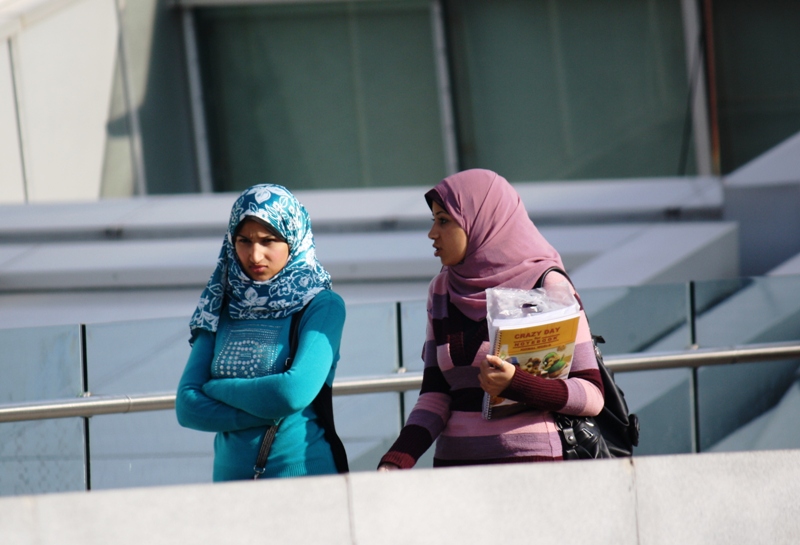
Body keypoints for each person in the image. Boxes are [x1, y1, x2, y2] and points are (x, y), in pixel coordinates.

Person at [378, 169, 604, 469]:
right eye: (433, 220)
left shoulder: (547, 286)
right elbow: (435, 396)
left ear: (483, 222)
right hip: (455, 476)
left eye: (444, 221)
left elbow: (591, 395)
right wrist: (396, 461)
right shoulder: (442, 290)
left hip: (533, 473)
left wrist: (517, 385)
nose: (432, 233)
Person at [176, 184, 347, 480]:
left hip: (304, 480)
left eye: (268, 240)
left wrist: (216, 389)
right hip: (230, 490)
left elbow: (291, 393)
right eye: (244, 241)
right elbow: (187, 407)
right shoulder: (221, 303)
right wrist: (263, 406)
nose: (255, 255)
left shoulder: (321, 306)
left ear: (293, 239)